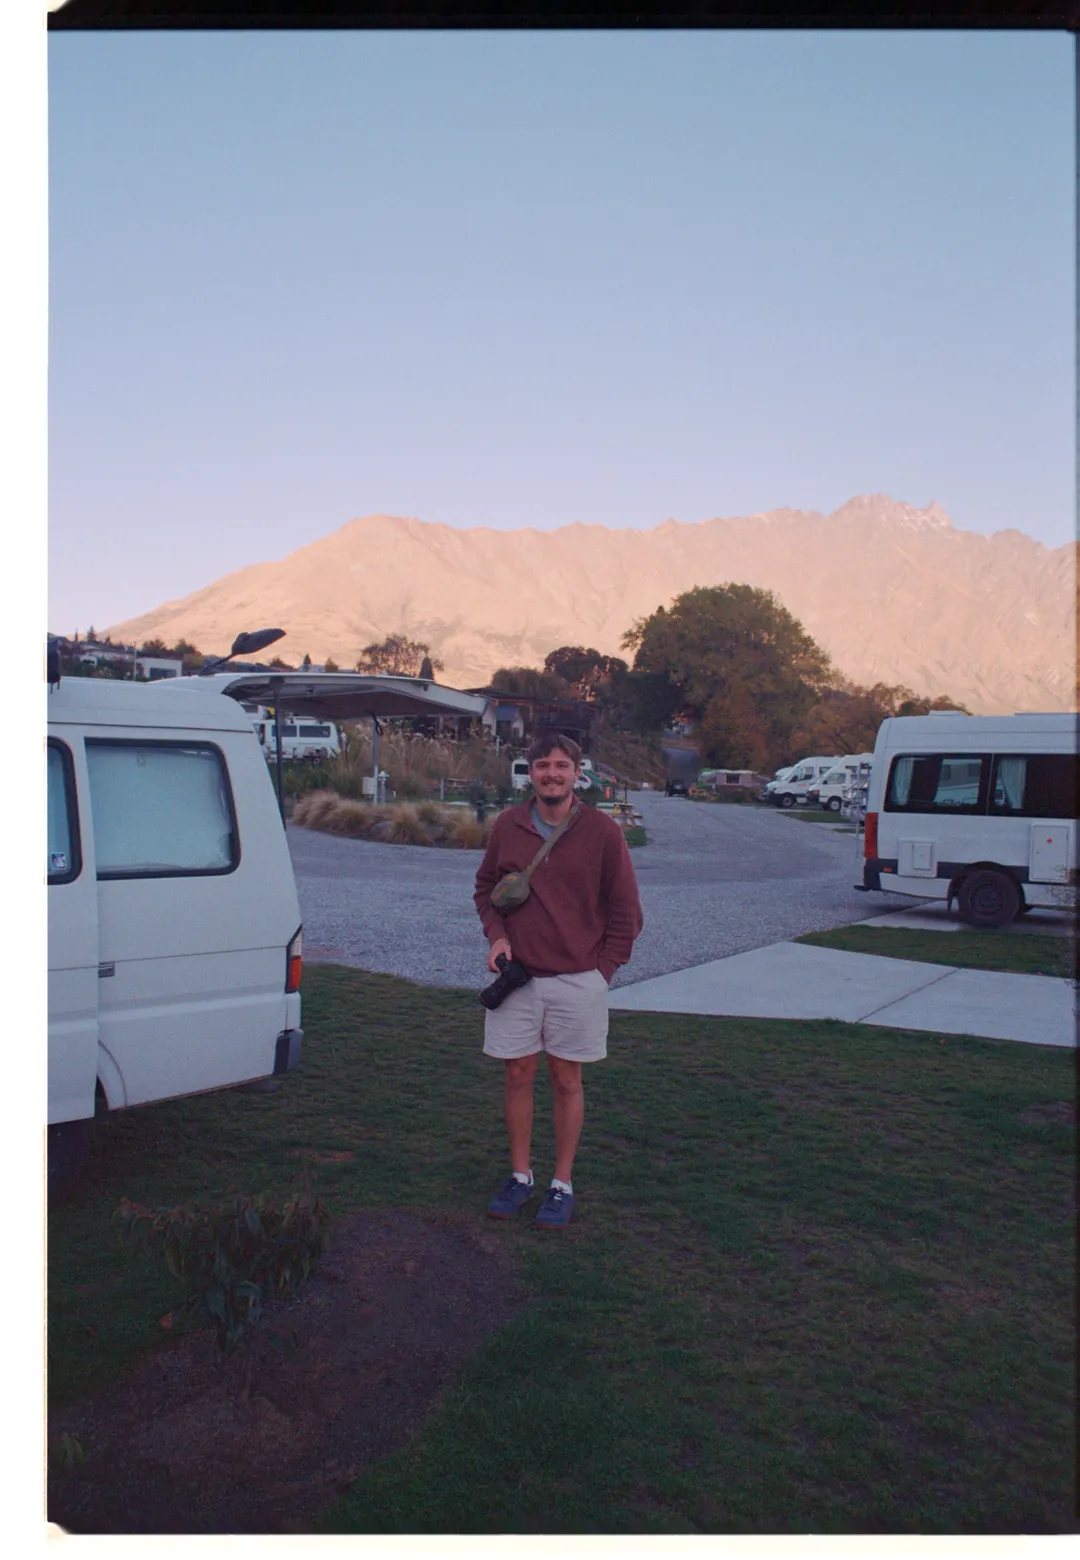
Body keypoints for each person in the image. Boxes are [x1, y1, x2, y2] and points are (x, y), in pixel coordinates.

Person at [473, 731, 644, 1229]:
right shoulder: (508, 826)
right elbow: (485, 889)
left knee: (567, 1079)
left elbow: (627, 910)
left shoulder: (602, 832)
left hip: (578, 981)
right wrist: (497, 937)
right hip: (517, 979)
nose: (551, 774)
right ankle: (520, 1175)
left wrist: (603, 972)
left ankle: (561, 1183)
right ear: (531, 773)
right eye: (542, 765)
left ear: (577, 773)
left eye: (561, 766)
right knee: (517, 1075)